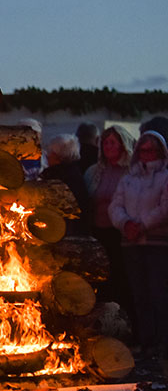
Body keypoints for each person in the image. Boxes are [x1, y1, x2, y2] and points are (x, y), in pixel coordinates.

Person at [108, 131, 168, 361]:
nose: (146, 154)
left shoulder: (164, 177)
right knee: (139, 293)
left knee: (157, 293)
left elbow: (164, 207)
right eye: (142, 150)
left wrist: (142, 225)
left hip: (155, 243)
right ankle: (147, 341)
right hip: (130, 243)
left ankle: (162, 342)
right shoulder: (129, 178)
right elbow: (116, 205)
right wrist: (125, 224)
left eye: (150, 150)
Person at [83, 126, 137, 329]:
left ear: (122, 144)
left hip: (121, 233)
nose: (108, 146)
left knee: (122, 279)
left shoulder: (132, 171)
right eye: (105, 143)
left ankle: (128, 325)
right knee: (101, 280)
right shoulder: (94, 172)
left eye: (113, 142)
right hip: (98, 232)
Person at [41, 133, 91, 236]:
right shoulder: (73, 174)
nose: (48, 155)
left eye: (51, 152)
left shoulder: (62, 180)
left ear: (59, 156)